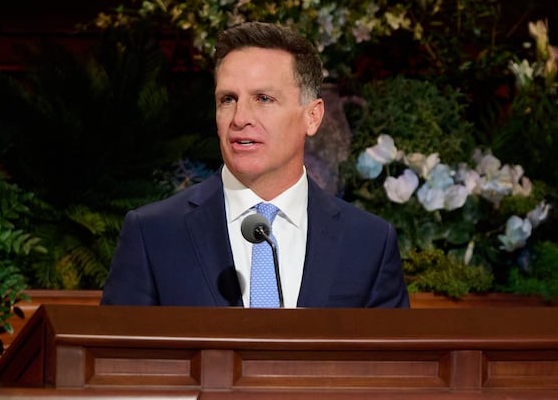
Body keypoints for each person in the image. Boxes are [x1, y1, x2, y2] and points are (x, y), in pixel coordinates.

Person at [100, 21, 409, 308]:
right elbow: (116, 348)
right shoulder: (154, 233)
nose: (240, 118)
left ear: (312, 116)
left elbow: (390, 351)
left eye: (263, 98)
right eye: (228, 99)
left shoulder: (369, 243)